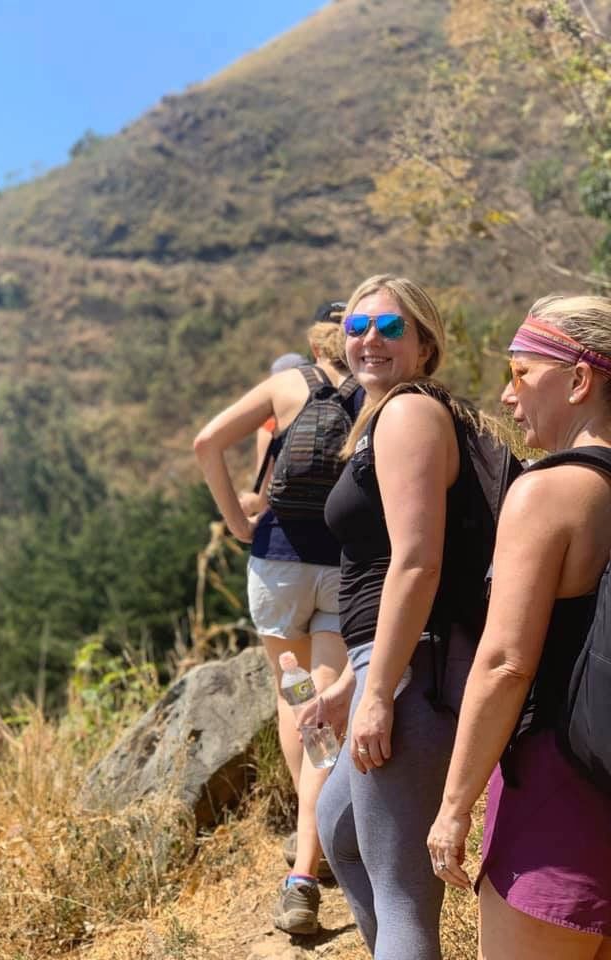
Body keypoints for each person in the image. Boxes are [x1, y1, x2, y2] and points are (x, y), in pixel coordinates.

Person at [308, 274, 487, 960]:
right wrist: (353, 684)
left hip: (420, 671)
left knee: (404, 893)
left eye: (389, 328)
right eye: (356, 328)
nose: (369, 341)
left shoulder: (410, 414)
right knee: (341, 831)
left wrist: (380, 690)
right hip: (390, 661)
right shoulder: (381, 418)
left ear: (424, 344)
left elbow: (417, 563)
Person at [428, 295, 611, 960]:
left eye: (522, 373)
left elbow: (506, 661)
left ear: (580, 379)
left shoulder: (547, 493)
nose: (508, 397)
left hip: (555, 799)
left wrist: (455, 805)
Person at [193, 302, 354, 935]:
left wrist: (237, 522)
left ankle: (305, 855)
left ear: (314, 345)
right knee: (327, 703)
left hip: (279, 565)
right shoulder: (380, 388)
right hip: (346, 568)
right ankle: (316, 849)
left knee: (295, 702)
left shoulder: (288, 384)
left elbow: (206, 442)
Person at [239, 351, 307, 519]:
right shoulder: (337, 409)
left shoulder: (270, 428)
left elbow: (263, 499)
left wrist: (246, 503)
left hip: (289, 522)